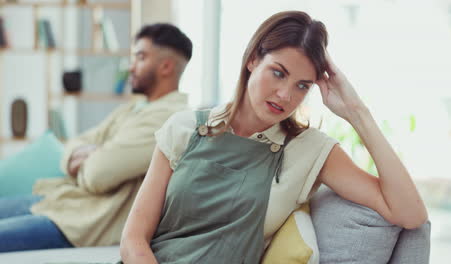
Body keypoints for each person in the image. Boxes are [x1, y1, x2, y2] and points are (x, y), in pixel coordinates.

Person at [120, 11, 428, 264]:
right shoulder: (184, 128)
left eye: (302, 86)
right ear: (253, 59)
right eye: (278, 73)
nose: (285, 95)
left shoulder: (309, 150)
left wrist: (357, 112)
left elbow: (410, 214)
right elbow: (134, 239)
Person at [0, 23, 193, 252]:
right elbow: (71, 146)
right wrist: (89, 153)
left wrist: (90, 157)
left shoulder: (168, 119)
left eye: (140, 58)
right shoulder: (134, 109)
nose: (131, 67)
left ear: (166, 66)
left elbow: (97, 175)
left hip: (83, 223)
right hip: (60, 201)